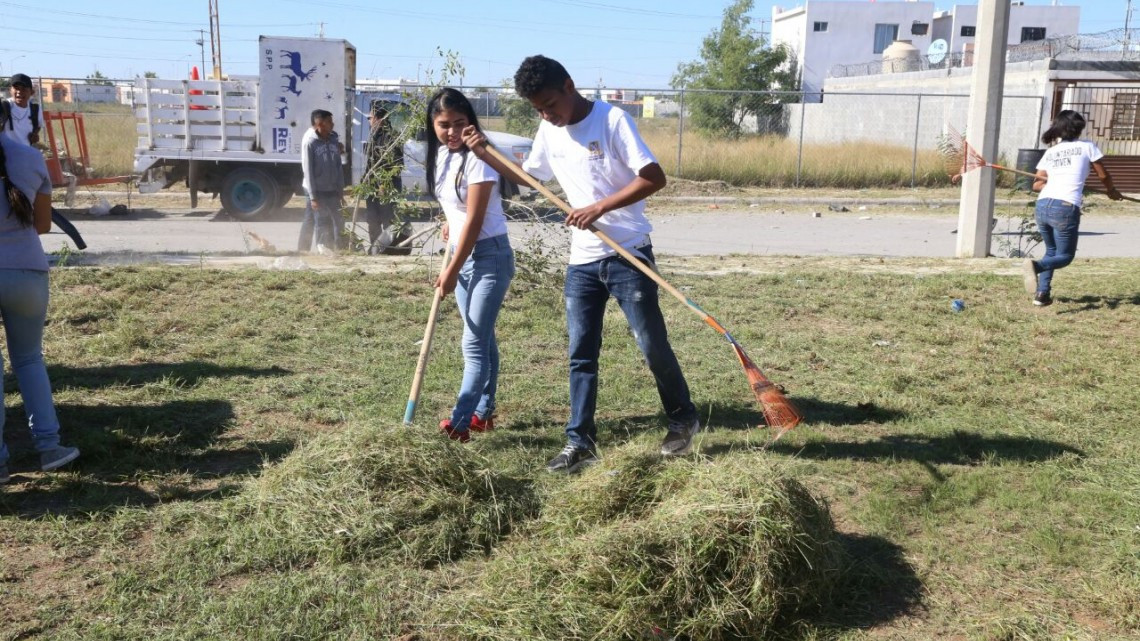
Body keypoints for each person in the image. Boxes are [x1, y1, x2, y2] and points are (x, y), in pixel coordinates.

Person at [464, 55, 699, 472]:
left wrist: (598, 208)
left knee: (651, 344)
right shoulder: (547, 128)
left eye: (550, 104)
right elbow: (528, 176)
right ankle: (580, 442)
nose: (547, 115)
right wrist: (485, 150)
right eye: (538, 109)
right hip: (583, 261)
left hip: (628, 252)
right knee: (580, 354)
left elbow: (654, 177)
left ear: (570, 86)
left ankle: (683, 419)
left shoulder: (612, 122)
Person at [427, 88, 515, 443]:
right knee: (484, 338)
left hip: (489, 256)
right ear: (433, 124)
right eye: (444, 124)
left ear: (471, 123)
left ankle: (459, 424)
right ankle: (483, 414)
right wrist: (451, 220)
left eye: (460, 124)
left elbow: (477, 220)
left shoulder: (480, 157)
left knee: (473, 344)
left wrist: (449, 272)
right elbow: (458, 205)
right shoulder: (442, 157)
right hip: (461, 255)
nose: (452, 132)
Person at [0, 135, 80, 484]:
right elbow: (43, 225)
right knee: (29, 359)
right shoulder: (32, 158)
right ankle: (50, 447)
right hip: (28, 273)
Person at [1025, 110, 1123, 307]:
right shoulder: (1087, 146)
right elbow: (1103, 175)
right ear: (1079, 129)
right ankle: (1035, 266)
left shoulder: (1051, 152)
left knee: (1052, 250)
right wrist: (1111, 190)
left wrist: (1057, 181)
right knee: (1066, 257)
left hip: (1043, 204)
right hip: (1065, 205)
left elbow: (1036, 185)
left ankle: (1042, 294)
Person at [362, 103, 408, 253]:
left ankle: (388, 249)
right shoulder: (373, 135)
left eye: (371, 117)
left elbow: (396, 165)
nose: (369, 120)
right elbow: (371, 163)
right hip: (371, 186)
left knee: (388, 219)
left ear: (379, 119)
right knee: (373, 219)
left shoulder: (391, 137)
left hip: (387, 188)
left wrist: (384, 184)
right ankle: (375, 248)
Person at [297, 109, 344, 252]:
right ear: (319, 124)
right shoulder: (310, 141)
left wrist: (340, 188)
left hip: (330, 187)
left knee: (316, 218)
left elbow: (337, 164)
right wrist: (313, 197)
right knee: (319, 219)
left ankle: (332, 248)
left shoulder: (331, 138)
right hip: (315, 187)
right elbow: (308, 171)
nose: (333, 124)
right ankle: (313, 249)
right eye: (329, 121)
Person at [1, 74, 44, 147]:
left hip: (25, 153)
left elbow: (39, 125)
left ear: (31, 92)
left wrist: (34, 134)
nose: (19, 92)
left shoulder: (35, 109)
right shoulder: (4, 106)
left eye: (23, 89)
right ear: (10, 90)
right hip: (7, 154)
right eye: (16, 88)